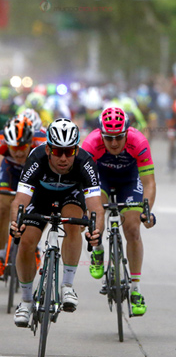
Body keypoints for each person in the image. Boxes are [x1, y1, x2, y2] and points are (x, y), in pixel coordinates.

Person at [9, 118, 105, 328]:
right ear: (49, 149)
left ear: (76, 149)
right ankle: (25, 301)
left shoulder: (85, 162)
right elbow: (20, 201)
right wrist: (16, 223)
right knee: (26, 241)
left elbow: (96, 207)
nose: (63, 157)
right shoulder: (36, 157)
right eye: (58, 151)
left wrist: (96, 231)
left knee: (73, 225)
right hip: (40, 198)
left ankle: (67, 285)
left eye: (69, 151)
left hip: (71, 196)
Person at [81, 107, 156, 316]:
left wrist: (146, 210)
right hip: (101, 179)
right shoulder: (90, 143)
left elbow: (149, 183)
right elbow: (81, 182)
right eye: (109, 138)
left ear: (127, 133)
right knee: (96, 217)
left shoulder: (139, 141)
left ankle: (136, 289)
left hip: (129, 181)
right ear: (101, 134)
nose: (114, 143)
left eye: (118, 137)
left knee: (132, 229)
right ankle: (97, 251)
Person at [0, 115, 46, 276]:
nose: (18, 152)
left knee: (39, 207)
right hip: (10, 171)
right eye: (14, 148)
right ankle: (1, 252)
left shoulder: (41, 142)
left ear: (30, 143)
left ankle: (35, 246)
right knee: (2, 206)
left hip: (34, 173)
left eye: (22, 147)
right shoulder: (1, 142)